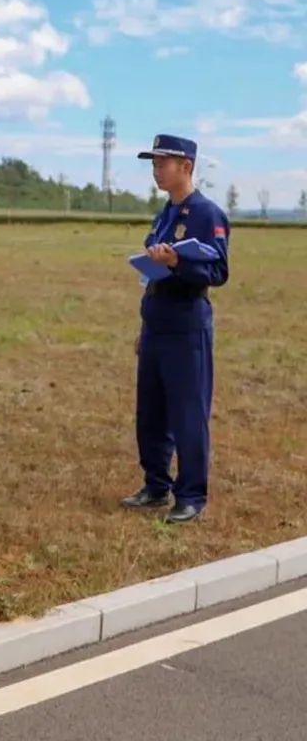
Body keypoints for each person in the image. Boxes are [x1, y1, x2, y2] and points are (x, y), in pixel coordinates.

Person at [121, 134, 230, 524]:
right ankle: (155, 486)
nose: (156, 170)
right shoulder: (165, 213)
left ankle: (191, 496)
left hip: (187, 328)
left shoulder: (207, 214)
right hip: (157, 323)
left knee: (187, 414)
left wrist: (176, 265)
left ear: (186, 166)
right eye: (153, 164)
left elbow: (218, 271)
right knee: (150, 412)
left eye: (162, 163)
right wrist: (143, 327)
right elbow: (154, 271)